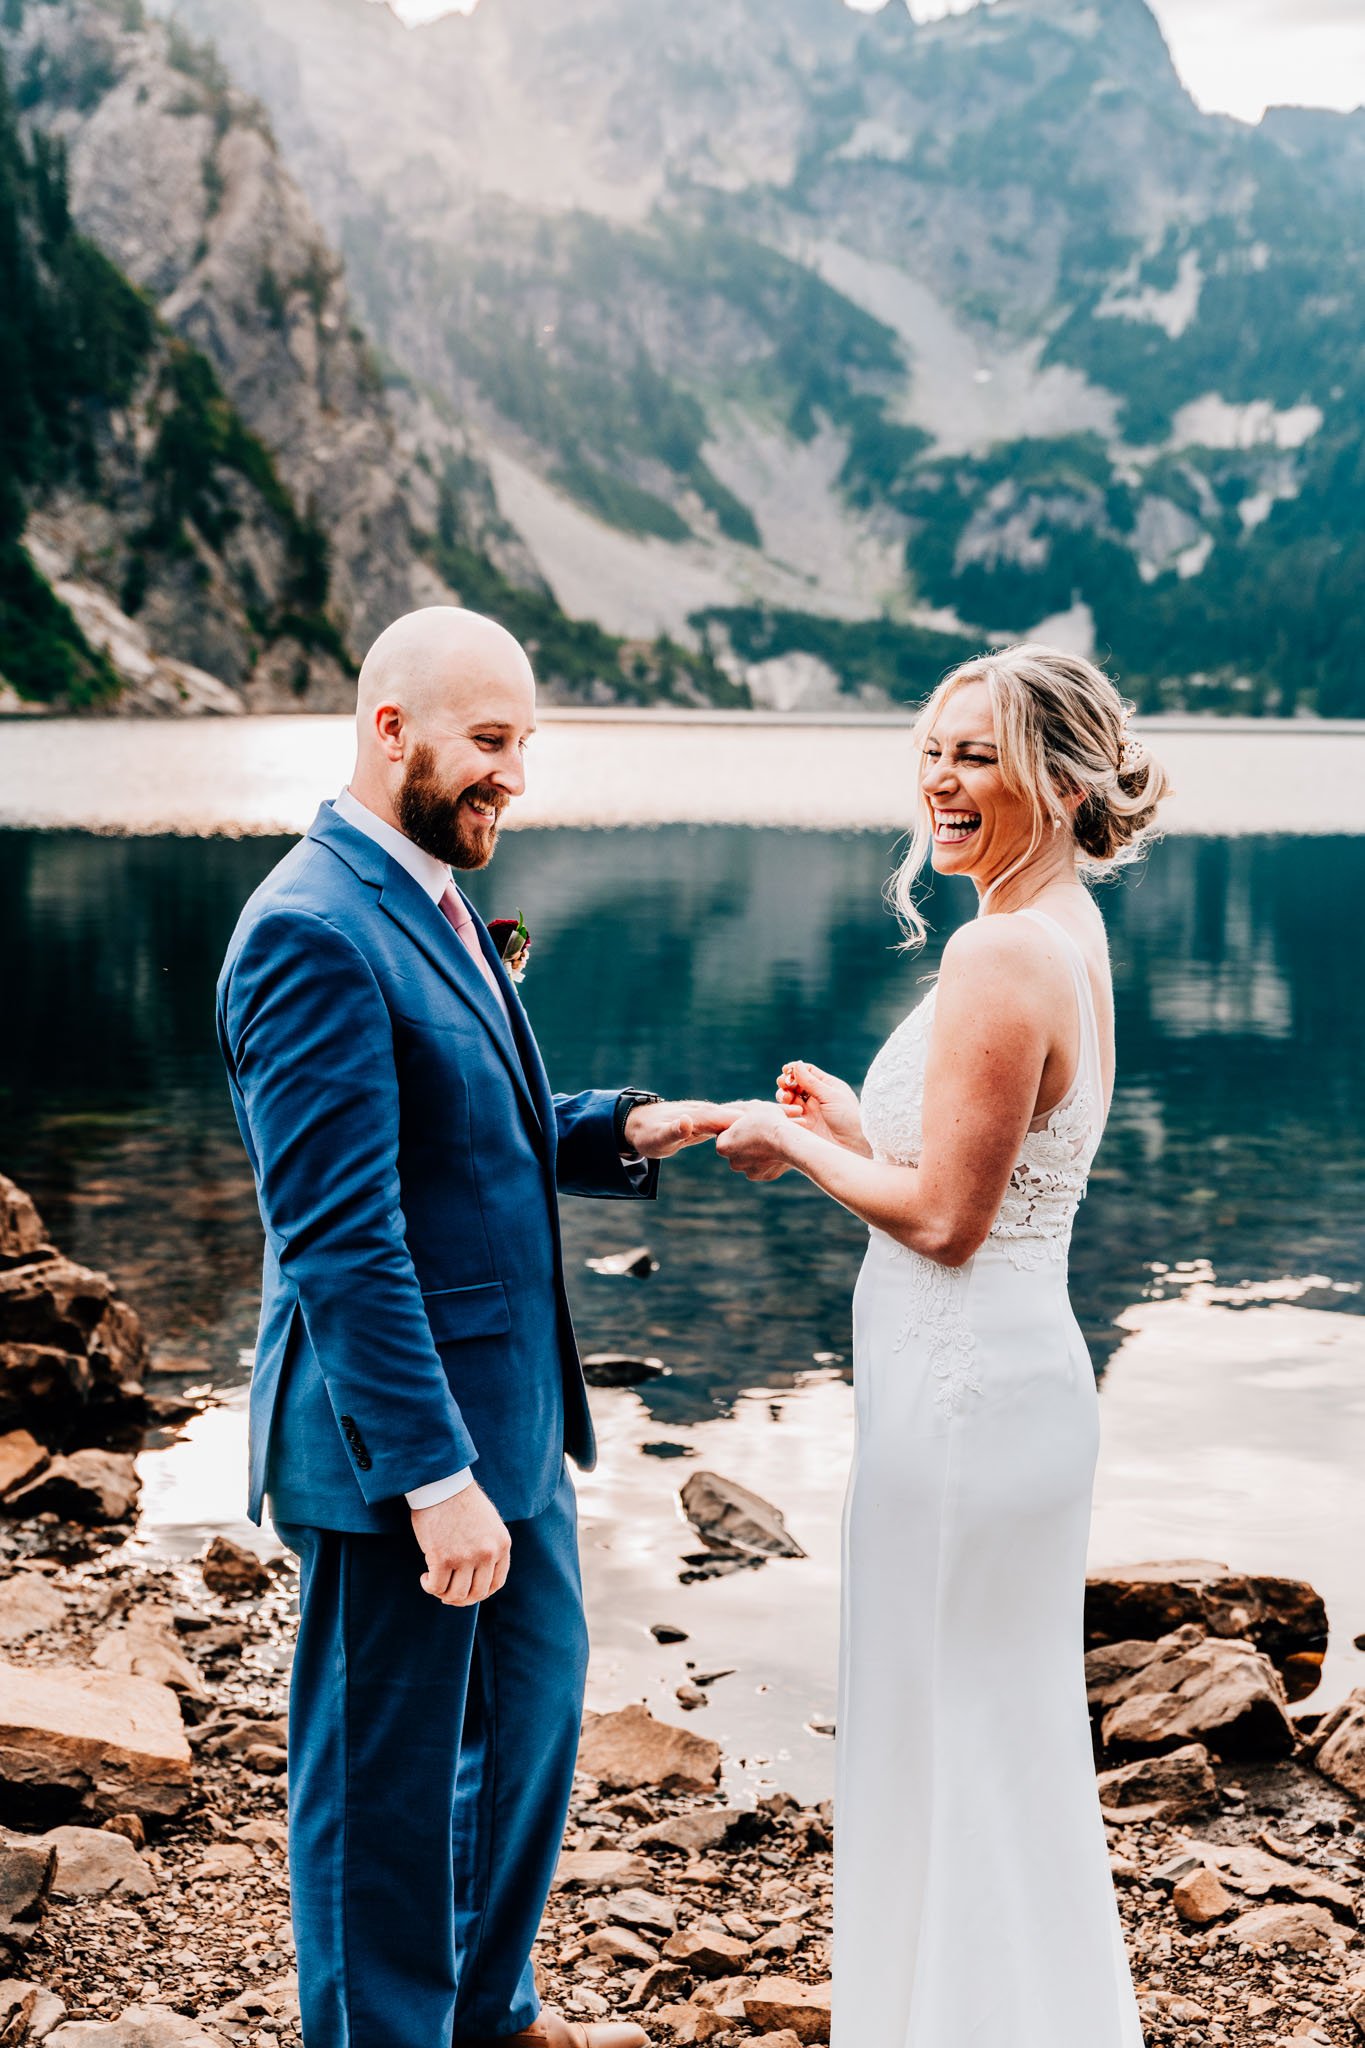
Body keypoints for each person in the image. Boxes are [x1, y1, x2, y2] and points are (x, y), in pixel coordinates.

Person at [216, 606, 726, 2048]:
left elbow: (470, 1128)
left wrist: (621, 1125)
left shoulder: (432, 898)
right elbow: (340, 1237)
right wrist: (432, 1482)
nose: (514, 774)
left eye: (525, 744)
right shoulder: (310, 929)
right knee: (382, 1798)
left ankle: (487, 2014)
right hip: (399, 1454)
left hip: (512, 1426)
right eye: (490, 743)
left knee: (526, 1742)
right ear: (393, 732)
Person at [716, 645, 1168, 2046]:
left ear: (1059, 778)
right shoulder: (1059, 930)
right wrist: (860, 1128)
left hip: (965, 1401)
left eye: (975, 754)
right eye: (931, 749)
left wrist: (793, 1142)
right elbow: (978, 1173)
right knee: (986, 1730)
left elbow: (948, 1223)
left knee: (956, 1733)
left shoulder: (996, 949)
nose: (940, 778)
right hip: (1003, 1383)